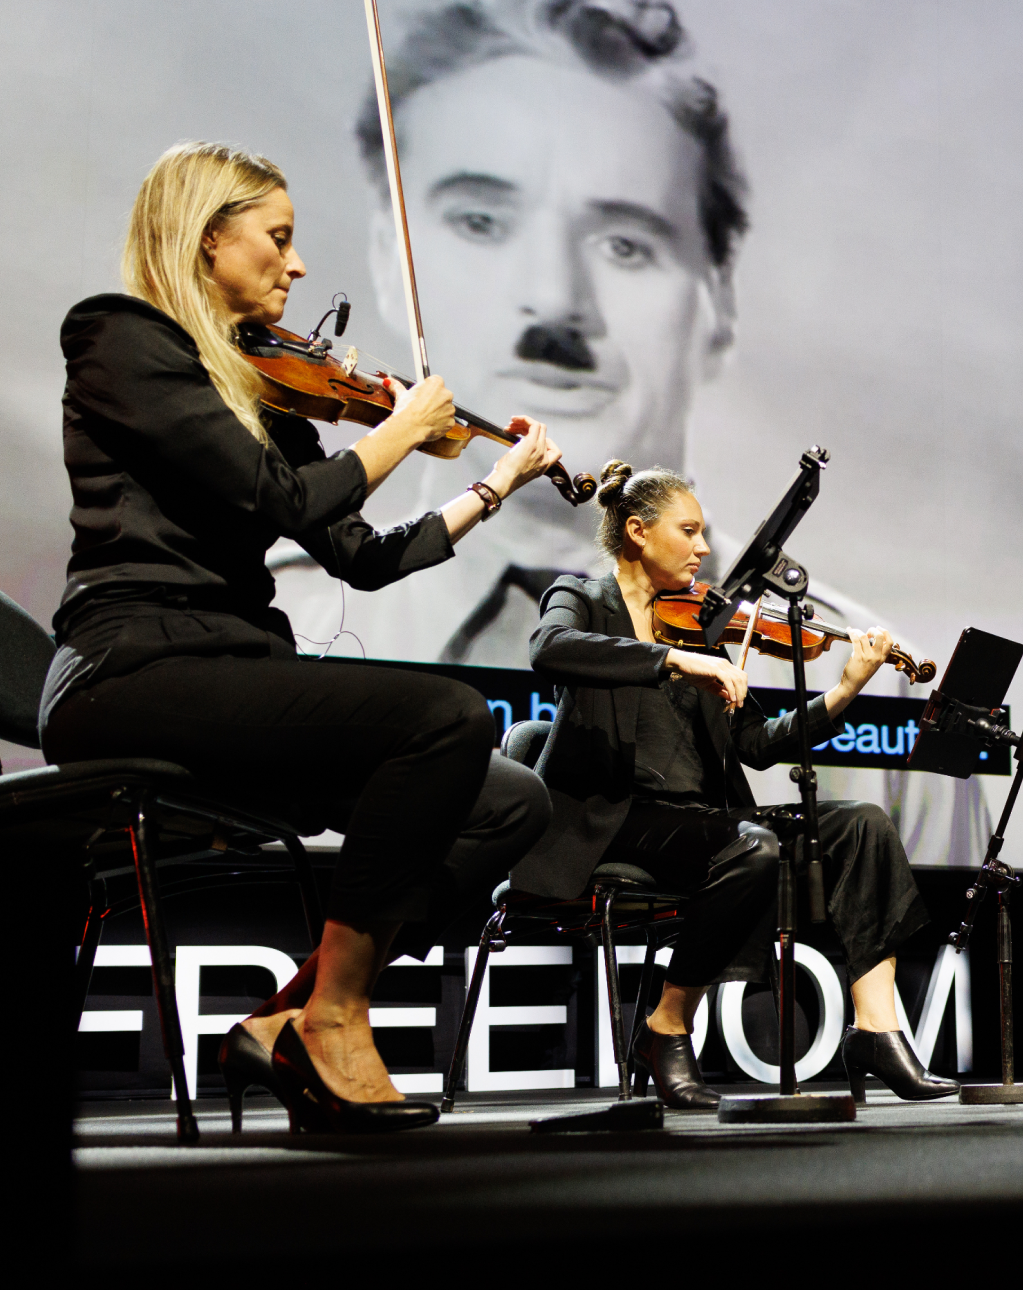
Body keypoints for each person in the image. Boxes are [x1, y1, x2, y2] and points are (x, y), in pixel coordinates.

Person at [269, 0, 991, 874]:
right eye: (481, 221)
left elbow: (758, 746)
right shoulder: (297, 618)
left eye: (624, 242)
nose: (556, 302)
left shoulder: (895, 762)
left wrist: (842, 685)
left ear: (717, 295)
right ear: (392, 253)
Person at [39, 141, 561, 1133]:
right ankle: (337, 1021)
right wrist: (399, 431)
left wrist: (493, 487)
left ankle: (289, 1019)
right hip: (132, 667)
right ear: (205, 242)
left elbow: (361, 554)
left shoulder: (262, 390)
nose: (300, 264)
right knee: (445, 716)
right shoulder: (119, 338)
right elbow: (270, 496)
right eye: (279, 239)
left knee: (510, 801)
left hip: (234, 678)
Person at [510, 460, 960, 1108]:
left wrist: (843, 690)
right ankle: (666, 1026)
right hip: (615, 817)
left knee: (862, 825)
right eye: (688, 531)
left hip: (706, 821)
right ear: (637, 531)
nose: (703, 548)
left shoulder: (701, 629)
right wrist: (672, 661)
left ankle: (878, 1030)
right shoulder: (582, 597)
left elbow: (757, 744)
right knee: (751, 846)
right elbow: (548, 649)